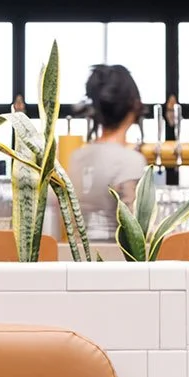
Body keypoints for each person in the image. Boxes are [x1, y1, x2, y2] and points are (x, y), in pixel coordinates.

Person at [66, 62, 147, 243]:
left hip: (78, 261)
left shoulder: (75, 158)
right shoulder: (131, 161)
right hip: (118, 264)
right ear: (134, 105)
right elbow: (136, 231)